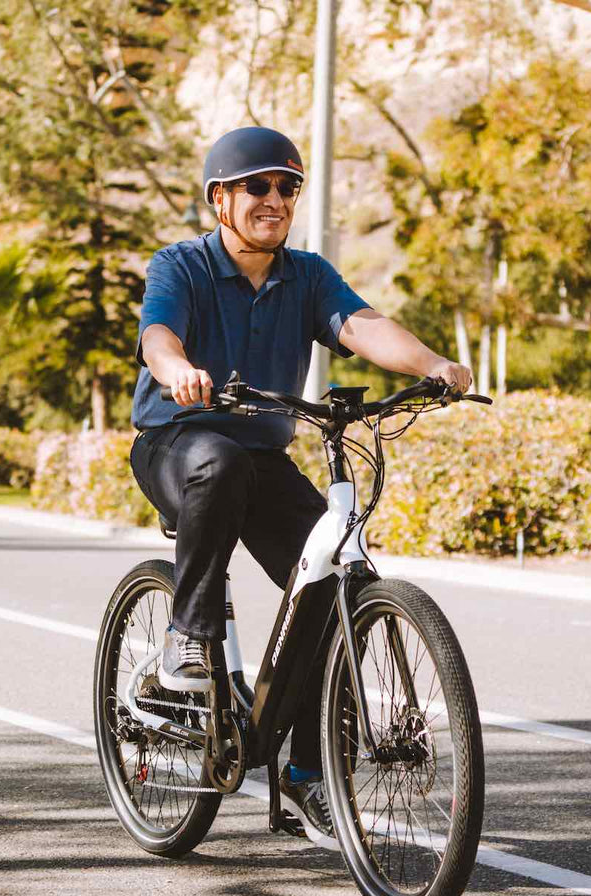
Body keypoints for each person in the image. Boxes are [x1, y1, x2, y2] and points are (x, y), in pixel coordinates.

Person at [129, 126, 471, 837]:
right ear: (220, 198)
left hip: (261, 456)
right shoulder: (181, 266)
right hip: (176, 441)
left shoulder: (306, 275)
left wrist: (432, 365)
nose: (275, 199)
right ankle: (186, 639)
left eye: (288, 188)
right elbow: (160, 338)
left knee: (329, 580)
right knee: (216, 464)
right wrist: (177, 371)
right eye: (258, 186)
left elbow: (364, 327)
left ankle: (311, 773)